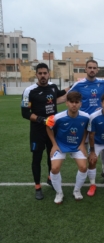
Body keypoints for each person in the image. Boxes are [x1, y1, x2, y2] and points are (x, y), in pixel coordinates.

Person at [21, 63, 69, 200]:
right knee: (37, 158)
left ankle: (50, 178)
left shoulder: (53, 87)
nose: (43, 76)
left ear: (49, 74)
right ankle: (37, 187)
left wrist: (75, 86)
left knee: (51, 155)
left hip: (52, 129)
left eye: (45, 73)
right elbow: (25, 113)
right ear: (36, 75)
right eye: (40, 73)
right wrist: (42, 120)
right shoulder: (29, 91)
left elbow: (61, 93)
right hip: (37, 130)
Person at [69, 59, 104, 184]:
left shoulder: (102, 83)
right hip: (85, 122)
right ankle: (85, 170)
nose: (92, 70)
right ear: (86, 69)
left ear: (97, 70)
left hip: (100, 120)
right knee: (85, 146)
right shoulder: (79, 85)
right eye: (90, 67)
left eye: (94, 68)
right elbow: (68, 96)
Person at [46, 91, 90, 204]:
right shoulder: (58, 117)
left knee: (83, 167)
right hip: (60, 145)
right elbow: (48, 127)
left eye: (77, 102)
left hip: (77, 146)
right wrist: (54, 145)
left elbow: (86, 129)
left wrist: (82, 144)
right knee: (54, 168)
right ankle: (59, 192)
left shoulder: (86, 117)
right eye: (71, 102)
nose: (74, 105)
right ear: (67, 103)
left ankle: (77, 190)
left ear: (80, 103)